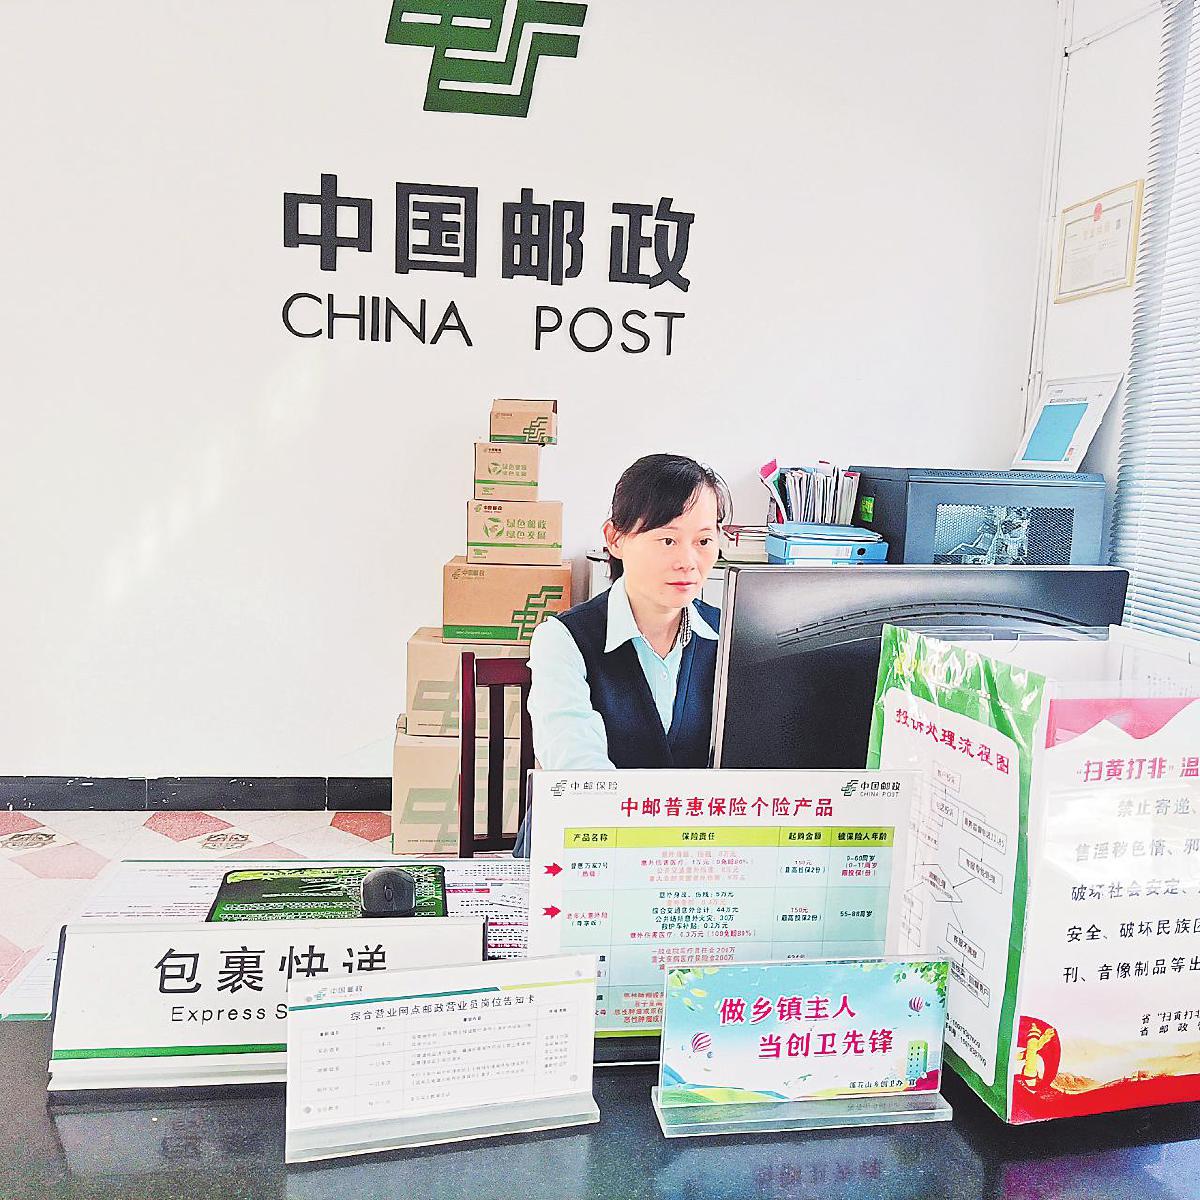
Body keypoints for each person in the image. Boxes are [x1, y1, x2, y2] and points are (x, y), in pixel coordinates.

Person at [513, 453, 729, 857]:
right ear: (615, 539)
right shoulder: (562, 640)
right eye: (667, 540)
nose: (688, 562)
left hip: (691, 859)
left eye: (703, 541)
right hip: (582, 853)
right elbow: (579, 774)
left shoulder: (732, 636)